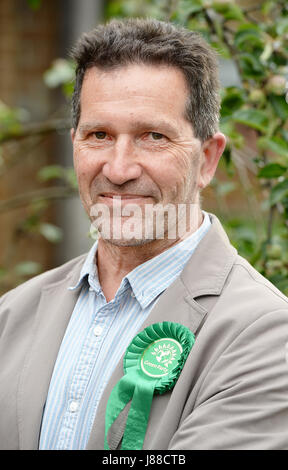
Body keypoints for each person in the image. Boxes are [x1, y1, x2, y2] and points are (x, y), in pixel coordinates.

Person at [1, 18, 288, 451]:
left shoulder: (267, 337)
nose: (118, 170)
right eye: (99, 135)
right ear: (75, 143)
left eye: (153, 137)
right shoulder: (12, 315)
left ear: (207, 160)